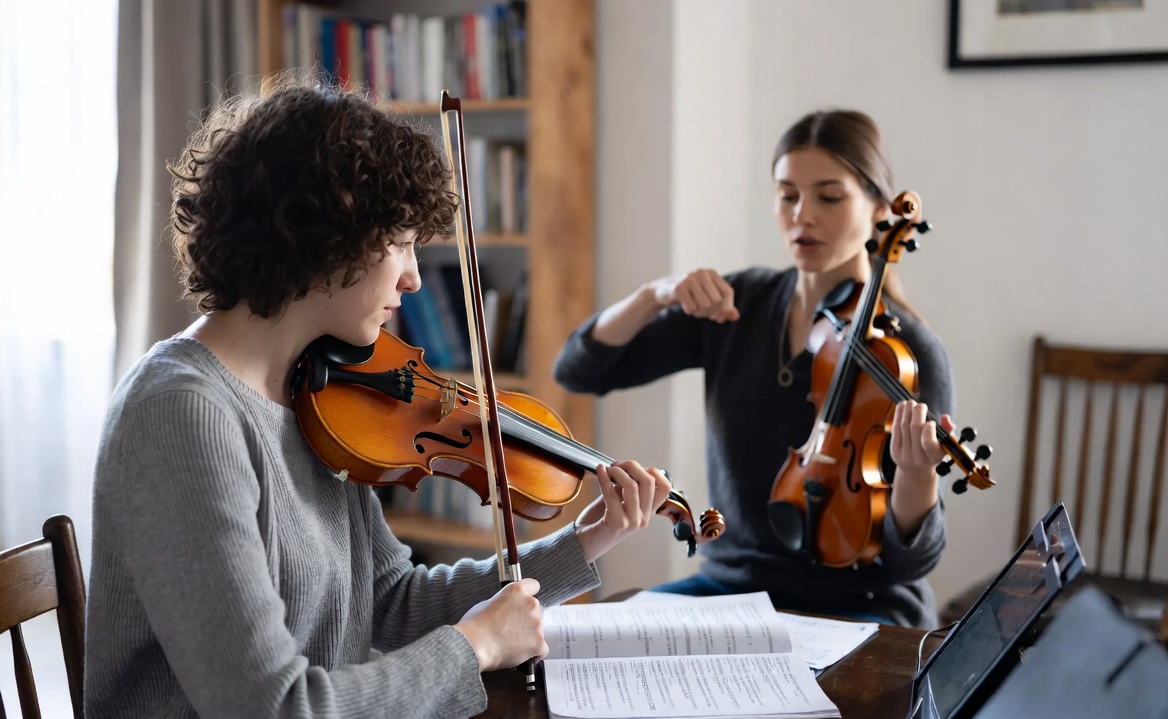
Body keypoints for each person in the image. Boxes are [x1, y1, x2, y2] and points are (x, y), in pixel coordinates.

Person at [84, 77, 671, 718]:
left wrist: (585, 541)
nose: (414, 278)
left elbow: (390, 599)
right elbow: (273, 708)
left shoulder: (318, 395)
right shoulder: (181, 414)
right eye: (401, 244)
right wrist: (474, 646)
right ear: (324, 234)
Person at [552, 109, 955, 629]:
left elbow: (910, 564)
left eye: (829, 197)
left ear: (880, 208)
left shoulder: (908, 353)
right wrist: (654, 295)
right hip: (731, 591)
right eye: (788, 195)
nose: (802, 215)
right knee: (581, 645)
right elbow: (579, 371)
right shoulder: (739, 306)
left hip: (861, 604)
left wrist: (918, 474)